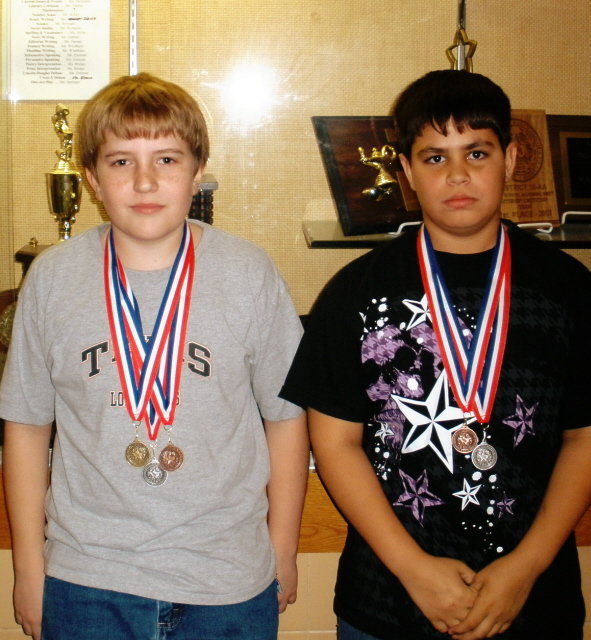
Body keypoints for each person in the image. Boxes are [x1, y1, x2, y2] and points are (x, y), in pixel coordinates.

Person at [280, 69, 591, 640]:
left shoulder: (568, 289)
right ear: (405, 172)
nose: (457, 175)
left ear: (512, 159)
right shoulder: (355, 291)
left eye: (477, 152)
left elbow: (585, 437)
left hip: (535, 600)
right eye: (433, 158)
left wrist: (527, 567)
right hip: (388, 601)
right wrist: (413, 569)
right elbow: (335, 443)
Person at [0, 72, 309, 640]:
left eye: (167, 159)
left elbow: (287, 418)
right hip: (87, 579)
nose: (145, 181)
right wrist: (27, 569)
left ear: (197, 173)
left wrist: (282, 549)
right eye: (121, 162)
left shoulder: (247, 273)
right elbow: (25, 426)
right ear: (92, 179)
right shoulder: (52, 280)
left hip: (228, 582)